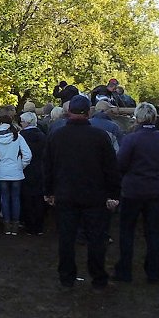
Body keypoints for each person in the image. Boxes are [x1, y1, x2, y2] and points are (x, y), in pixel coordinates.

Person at [44, 95, 121, 289]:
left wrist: (49, 191)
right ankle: (98, 277)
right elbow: (111, 168)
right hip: (94, 196)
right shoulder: (100, 136)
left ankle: (66, 277)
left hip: (65, 194)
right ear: (89, 112)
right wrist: (113, 194)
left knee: (66, 239)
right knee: (97, 239)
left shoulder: (56, 136)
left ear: (68, 112)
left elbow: (48, 166)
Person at [112, 103, 159, 284]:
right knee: (153, 232)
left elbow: (120, 164)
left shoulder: (131, 139)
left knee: (127, 231)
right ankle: (153, 272)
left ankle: (125, 270)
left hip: (133, 190)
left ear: (137, 118)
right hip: (156, 189)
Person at [0, 114, 32, 235]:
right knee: (16, 198)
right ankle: (15, 225)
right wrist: (21, 165)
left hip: (2, 172)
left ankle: (7, 225)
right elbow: (27, 155)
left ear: (0, 124)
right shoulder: (17, 136)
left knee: (5, 198)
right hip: (16, 172)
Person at [19, 111, 47, 235]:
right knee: (39, 198)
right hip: (40, 169)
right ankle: (39, 225)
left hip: (25, 169)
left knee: (27, 198)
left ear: (27, 122)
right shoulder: (42, 135)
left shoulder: (20, 136)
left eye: (22, 121)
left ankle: (29, 225)